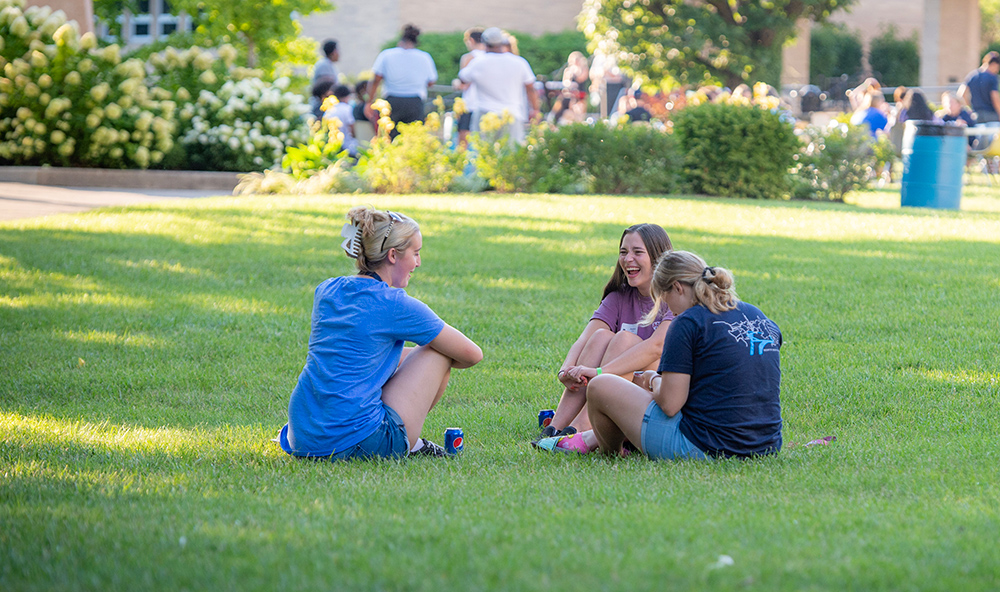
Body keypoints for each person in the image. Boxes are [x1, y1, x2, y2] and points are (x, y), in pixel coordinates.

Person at [277, 207, 483, 461]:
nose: (418, 263)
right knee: (438, 353)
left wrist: (406, 360)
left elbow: (359, 353)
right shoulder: (394, 304)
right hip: (353, 442)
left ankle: (409, 439)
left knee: (420, 352)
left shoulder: (328, 290)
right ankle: (409, 443)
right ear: (393, 255)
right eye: (415, 253)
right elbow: (472, 355)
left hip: (303, 437)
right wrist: (422, 358)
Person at [537, 251, 782, 460]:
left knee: (601, 385)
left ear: (676, 287)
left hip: (706, 446)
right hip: (767, 444)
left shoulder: (687, 322)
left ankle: (609, 452)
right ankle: (592, 437)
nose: (668, 308)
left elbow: (670, 404)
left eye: (663, 298)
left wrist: (651, 379)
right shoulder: (757, 315)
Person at [537, 224, 675, 441]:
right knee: (601, 336)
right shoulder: (619, 297)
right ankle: (556, 427)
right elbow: (586, 338)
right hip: (620, 383)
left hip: (657, 386)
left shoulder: (674, 298)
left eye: (637, 252)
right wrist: (566, 370)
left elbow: (656, 348)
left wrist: (600, 373)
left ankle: (582, 425)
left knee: (624, 339)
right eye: (623, 252)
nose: (628, 259)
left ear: (658, 258)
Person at [458, 27, 540, 144]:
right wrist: (535, 109)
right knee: (511, 154)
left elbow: (463, 79)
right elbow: (531, 88)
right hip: (512, 114)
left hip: (484, 114)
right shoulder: (519, 62)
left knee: (484, 154)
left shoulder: (478, 63)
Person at [366, 25, 438, 139]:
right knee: (414, 138)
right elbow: (431, 81)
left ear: (401, 41)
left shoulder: (387, 55)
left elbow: (376, 79)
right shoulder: (424, 57)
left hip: (392, 100)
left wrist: (369, 101)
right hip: (415, 102)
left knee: (389, 137)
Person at [453, 27, 486, 147]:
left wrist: (456, 83)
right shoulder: (490, 57)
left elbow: (464, 83)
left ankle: (460, 164)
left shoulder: (469, 58)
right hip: (486, 103)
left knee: (463, 140)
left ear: (471, 40)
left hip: (470, 104)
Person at [959, 51, 1000, 124]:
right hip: (991, 115)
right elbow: (995, 96)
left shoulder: (972, 75)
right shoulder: (992, 77)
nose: (997, 70)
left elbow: (962, 94)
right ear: (994, 64)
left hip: (976, 115)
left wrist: (969, 108)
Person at [323, 84, 359, 157]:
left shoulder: (329, 110)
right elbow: (352, 127)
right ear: (347, 96)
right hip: (348, 146)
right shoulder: (347, 108)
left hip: (333, 145)